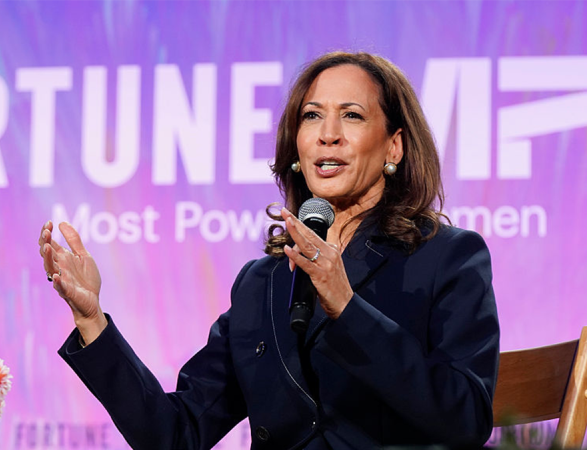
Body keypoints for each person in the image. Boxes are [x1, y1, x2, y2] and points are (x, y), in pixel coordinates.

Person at [37, 51, 500, 449]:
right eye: (312, 116)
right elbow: (174, 434)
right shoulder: (262, 284)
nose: (328, 133)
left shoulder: (447, 258)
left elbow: (465, 420)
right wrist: (92, 321)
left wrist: (347, 308)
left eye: (352, 115)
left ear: (393, 147)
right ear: (297, 147)